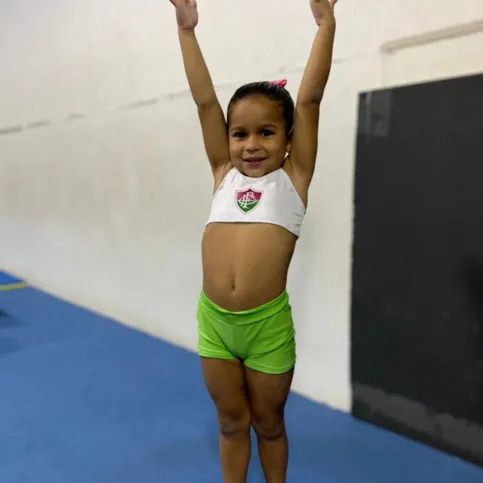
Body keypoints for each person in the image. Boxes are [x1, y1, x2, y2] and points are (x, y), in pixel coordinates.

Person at [169, 0, 337, 481]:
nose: (251, 144)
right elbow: (205, 101)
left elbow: (309, 99)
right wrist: (187, 32)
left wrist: (326, 24)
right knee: (229, 423)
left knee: (268, 424)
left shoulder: (294, 176)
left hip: (266, 328)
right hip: (215, 322)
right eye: (239, 133)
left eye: (266, 132)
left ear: (288, 138)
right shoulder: (222, 172)